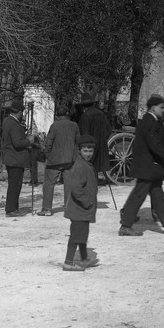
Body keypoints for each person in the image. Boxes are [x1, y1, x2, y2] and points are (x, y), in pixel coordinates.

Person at [118, 94, 164, 236]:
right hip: (147, 167)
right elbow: (154, 146)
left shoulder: (151, 121)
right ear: (153, 108)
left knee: (157, 195)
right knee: (138, 196)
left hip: (150, 167)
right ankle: (125, 226)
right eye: (162, 107)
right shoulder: (149, 122)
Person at [62, 135, 100, 271]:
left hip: (82, 210)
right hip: (80, 209)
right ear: (79, 151)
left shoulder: (85, 164)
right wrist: (87, 202)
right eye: (85, 151)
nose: (88, 154)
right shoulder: (80, 166)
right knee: (76, 236)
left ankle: (84, 259)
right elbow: (76, 189)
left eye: (90, 151)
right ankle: (68, 262)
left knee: (82, 235)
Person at [39, 105, 79, 216]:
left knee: (49, 184)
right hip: (69, 160)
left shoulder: (55, 126)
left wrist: (48, 155)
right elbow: (78, 142)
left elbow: (49, 143)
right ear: (68, 115)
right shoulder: (74, 125)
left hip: (54, 160)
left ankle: (47, 209)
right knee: (69, 184)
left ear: (57, 115)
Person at [1, 99, 36, 217]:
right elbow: (18, 143)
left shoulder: (7, 121)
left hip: (10, 157)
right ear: (20, 112)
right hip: (16, 158)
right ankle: (11, 209)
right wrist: (29, 140)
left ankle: (13, 208)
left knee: (13, 184)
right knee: (15, 185)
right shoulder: (14, 124)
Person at [74, 101, 111, 180]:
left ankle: (89, 179)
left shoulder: (85, 116)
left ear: (83, 107)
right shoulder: (101, 114)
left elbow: (84, 132)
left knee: (89, 161)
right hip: (101, 143)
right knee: (97, 161)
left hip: (90, 143)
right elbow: (108, 129)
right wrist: (103, 139)